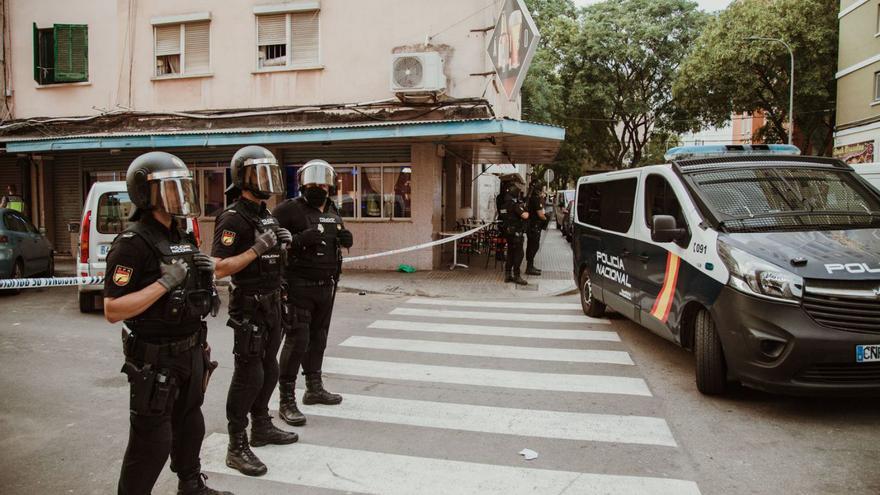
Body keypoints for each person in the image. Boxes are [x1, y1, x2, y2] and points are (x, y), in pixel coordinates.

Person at [103, 152, 230, 495]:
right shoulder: (132, 244)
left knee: (191, 427)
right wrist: (163, 284)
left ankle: (191, 485)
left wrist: (208, 279)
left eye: (181, 188)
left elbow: (194, 290)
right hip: (155, 358)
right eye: (169, 189)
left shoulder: (182, 234)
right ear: (146, 194)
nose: (179, 197)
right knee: (151, 444)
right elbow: (113, 309)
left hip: (190, 351)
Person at [212, 146, 298, 477]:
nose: (266, 182)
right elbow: (219, 267)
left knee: (269, 370)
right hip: (249, 305)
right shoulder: (232, 217)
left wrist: (283, 242)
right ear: (242, 178)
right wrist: (257, 248)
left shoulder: (266, 214)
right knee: (248, 375)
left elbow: (274, 256)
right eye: (258, 174)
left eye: (269, 174)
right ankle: (237, 445)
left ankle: (261, 426)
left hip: (274, 301)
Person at [273, 159, 354, 427]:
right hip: (298, 286)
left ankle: (314, 388)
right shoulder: (287, 210)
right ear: (302, 184)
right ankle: (286, 400)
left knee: (319, 339)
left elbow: (336, 237)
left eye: (322, 183)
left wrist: (346, 240)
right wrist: (296, 242)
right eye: (313, 183)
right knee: (298, 341)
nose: (318, 188)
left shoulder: (333, 209)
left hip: (326, 286)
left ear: (330, 185)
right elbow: (268, 244)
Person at [498, 179, 529, 285]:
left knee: (510, 252)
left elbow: (502, 215)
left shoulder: (503, 205)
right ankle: (516, 275)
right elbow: (525, 215)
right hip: (516, 232)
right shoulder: (515, 204)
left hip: (508, 232)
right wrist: (525, 208)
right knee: (519, 254)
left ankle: (507, 274)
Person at [525, 178, 548, 276]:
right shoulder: (535, 198)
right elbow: (540, 214)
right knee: (534, 246)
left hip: (530, 226)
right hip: (534, 226)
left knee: (531, 246)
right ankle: (529, 268)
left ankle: (530, 266)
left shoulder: (529, 197)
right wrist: (546, 219)